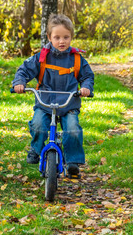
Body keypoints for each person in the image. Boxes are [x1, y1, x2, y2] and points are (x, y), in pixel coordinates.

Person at [12, 14, 94, 176]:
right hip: (45, 103)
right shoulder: (42, 57)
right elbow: (24, 69)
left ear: (71, 37)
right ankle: (36, 149)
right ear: (49, 37)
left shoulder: (77, 59)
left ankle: (72, 161)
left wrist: (86, 87)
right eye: (57, 37)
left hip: (68, 104)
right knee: (37, 124)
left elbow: (87, 76)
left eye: (66, 37)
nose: (61, 41)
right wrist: (19, 83)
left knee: (72, 129)